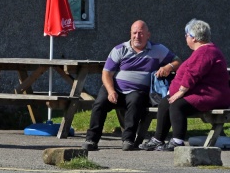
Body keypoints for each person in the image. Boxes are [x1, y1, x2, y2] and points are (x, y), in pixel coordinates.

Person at [83, 20, 179, 152]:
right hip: (115, 88)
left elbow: (178, 61)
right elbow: (106, 74)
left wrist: (168, 66)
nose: (137, 36)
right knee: (99, 104)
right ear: (130, 33)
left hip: (137, 91)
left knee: (135, 102)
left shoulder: (158, 50)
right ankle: (91, 139)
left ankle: (128, 140)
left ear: (148, 35)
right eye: (134, 33)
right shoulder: (119, 49)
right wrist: (111, 91)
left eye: (141, 33)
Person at [140, 19, 230, 151]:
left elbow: (192, 74)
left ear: (194, 38)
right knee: (165, 102)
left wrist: (180, 92)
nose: (185, 37)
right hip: (202, 92)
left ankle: (178, 141)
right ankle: (158, 139)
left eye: (186, 35)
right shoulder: (203, 50)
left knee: (178, 105)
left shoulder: (205, 52)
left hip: (211, 95)